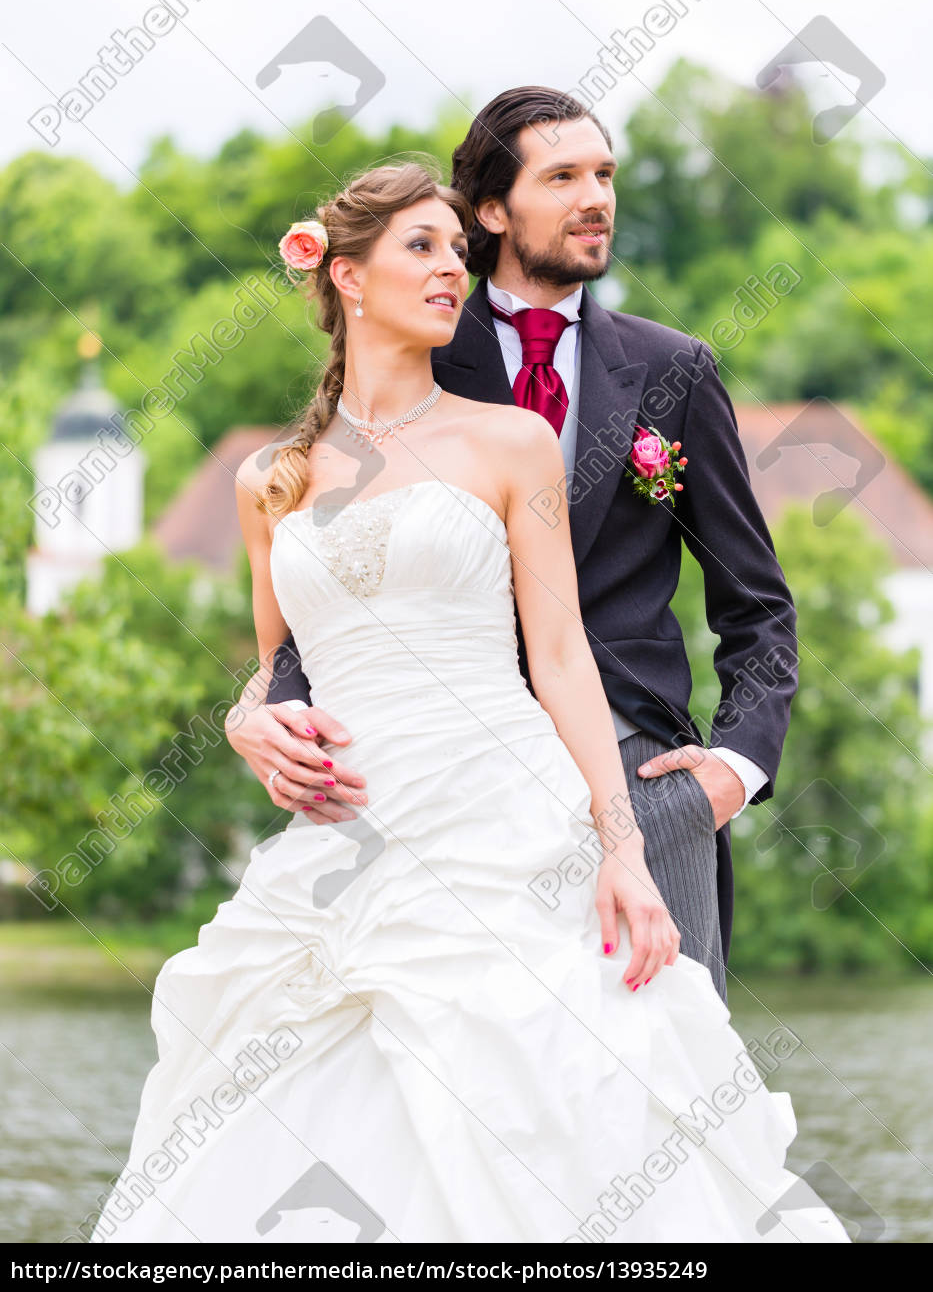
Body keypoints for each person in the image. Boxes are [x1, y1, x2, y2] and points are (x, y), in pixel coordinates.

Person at [92, 161, 848, 1243]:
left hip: (503, 819)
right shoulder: (272, 480)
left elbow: (561, 655)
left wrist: (621, 846)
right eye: (423, 247)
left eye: (458, 245)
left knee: (549, 1108)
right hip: (346, 841)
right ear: (344, 275)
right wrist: (244, 721)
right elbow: (280, 665)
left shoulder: (508, 443)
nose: (454, 267)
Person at [229, 87, 800, 1007]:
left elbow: (757, 605)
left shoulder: (672, 371)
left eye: (605, 175)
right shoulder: (423, 347)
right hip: (426, 799)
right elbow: (330, 593)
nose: (596, 198)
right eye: (564, 176)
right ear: (492, 209)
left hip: (645, 777)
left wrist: (731, 772)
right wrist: (255, 716)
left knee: (656, 1086)